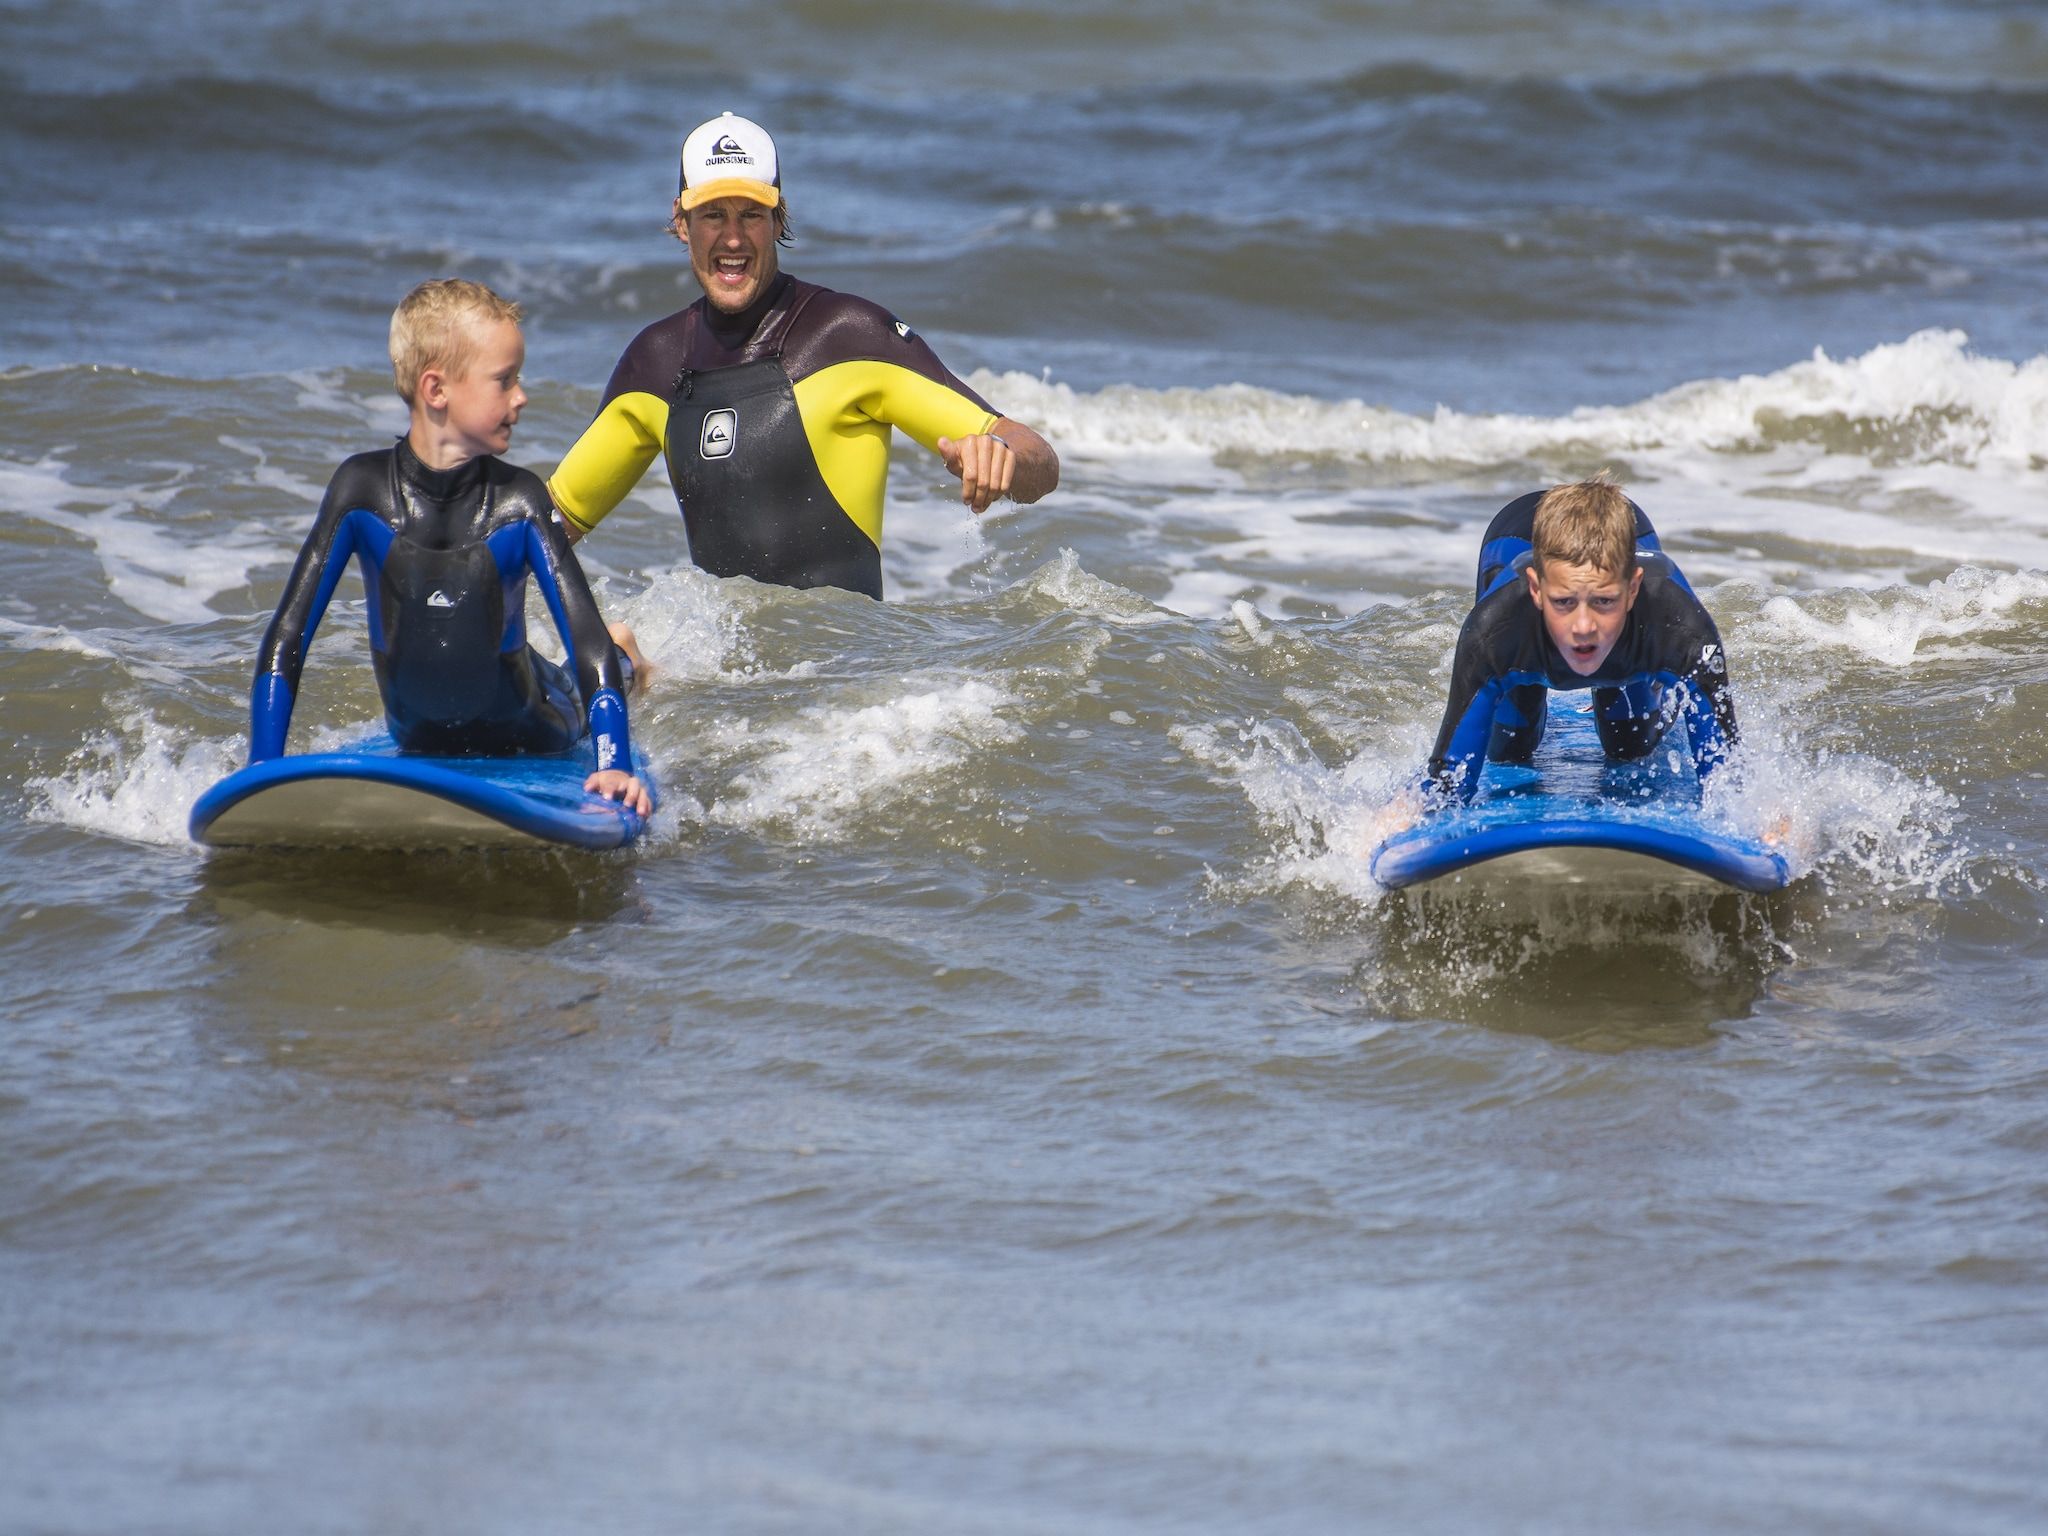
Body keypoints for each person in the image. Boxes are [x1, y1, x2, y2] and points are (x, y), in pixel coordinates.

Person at [546, 111, 1059, 600]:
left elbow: (1038, 460)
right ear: (681, 221)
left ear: (777, 219)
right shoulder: (654, 364)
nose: (732, 237)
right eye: (711, 215)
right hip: (723, 687)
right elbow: (545, 529)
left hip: (848, 681)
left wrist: (1002, 458)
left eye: (751, 214)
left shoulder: (848, 335)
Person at [250, 279, 652, 814]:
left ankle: (634, 660)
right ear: (437, 390)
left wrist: (614, 764)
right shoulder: (360, 491)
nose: (522, 396)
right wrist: (263, 766)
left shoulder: (519, 500)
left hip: (535, 730)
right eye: (504, 380)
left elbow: (587, 643)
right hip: (418, 735)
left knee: (589, 674)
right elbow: (289, 633)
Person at [1390, 476, 1738, 825]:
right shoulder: (1494, 632)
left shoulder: (1678, 627)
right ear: (1535, 589)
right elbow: (1448, 781)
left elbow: (1728, 779)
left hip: (1625, 531)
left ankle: (1659, 690)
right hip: (1510, 536)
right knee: (1509, 749)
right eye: (1563, 602)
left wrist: (1767, 824)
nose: (1583, 626)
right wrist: (1404, 815)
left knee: (1629, 747)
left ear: (1633, 588)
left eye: (1604, 601)